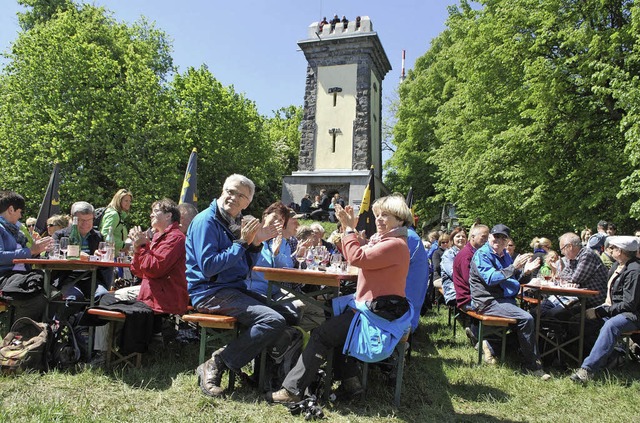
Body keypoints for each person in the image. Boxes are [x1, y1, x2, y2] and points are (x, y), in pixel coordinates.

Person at [266, 196, 414, 404]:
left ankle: (292, 390)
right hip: (374, 310)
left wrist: (349, 229)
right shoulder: (392, 242)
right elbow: (359, 253)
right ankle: (350, 383)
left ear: (400, 220)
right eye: (378, 214)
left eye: (385, 215)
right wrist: (350, 230)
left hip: (378, 318)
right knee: (333, 322)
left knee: (322, 333)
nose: (379, 219)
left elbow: (357, 258)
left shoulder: (395, 245)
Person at [188, 174, 288, 397]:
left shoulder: (237, 222)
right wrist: (243, 242)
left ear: (248, 202)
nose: (233, 197)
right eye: (230, 191)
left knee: (291, 314)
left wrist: (255, 245)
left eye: (240, 195)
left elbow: (244, 267)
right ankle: (216, 363)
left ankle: (264, 375)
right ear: (222, 191)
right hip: (208, 292)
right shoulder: (207, 221)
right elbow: (209, 267)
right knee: (272, 320)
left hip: (232, 289)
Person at [93, 199, 189, 357]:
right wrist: (138, 248)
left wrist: (143, 247)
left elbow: (154, 269)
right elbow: (137, 271)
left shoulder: (175, 238)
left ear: (168, 216)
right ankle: (111, 349)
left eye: (155, 211)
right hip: (151, 289)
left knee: (105, 300)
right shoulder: (160, 236)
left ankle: (102, 353)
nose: (151, 214)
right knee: (105, 299)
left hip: (165, 295)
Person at [468, 224, 548, 378]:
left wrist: (525, 272)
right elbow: (491, 279)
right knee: (526, 318)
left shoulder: (504, 255)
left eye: (502, 238)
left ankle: (491, 346)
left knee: (536, 316)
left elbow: (512, 281)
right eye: (496, 236)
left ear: (507, 242)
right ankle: (532, 366)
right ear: (490, 237)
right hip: (487, 301)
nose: (498, 240)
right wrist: (514, 267)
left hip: (505, 300)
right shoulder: (482, 255)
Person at [570, 236, 640, 383]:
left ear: (620, 251)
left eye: (613, 248)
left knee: (611, 325)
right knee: (578, 319)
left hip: (633, 315)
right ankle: (612, 357)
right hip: (613, 310)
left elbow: (629, 305)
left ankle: (587, 370)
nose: (610, 250)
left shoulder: (635, 271)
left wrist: (599, 312)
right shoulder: (617, 266)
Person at [0, 191, 53, 320]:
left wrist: (38, 250)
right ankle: (20, 335)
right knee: (38, 299)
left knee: (54, 293)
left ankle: (33, 335)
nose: (21, 216)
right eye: (20, 211)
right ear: (11, 209)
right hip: (5, 278)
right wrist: (31, 251)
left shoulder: (14, 230)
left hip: (19, 277)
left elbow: (27, 254)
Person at [53, 202, 110, 298]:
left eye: (89, 220)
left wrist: (99, 257)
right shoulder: (60, 235)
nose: (85, 224)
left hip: (91, 278)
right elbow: (50, 255)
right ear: (73, 219)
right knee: (74, 298)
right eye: (81, 220)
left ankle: (88, 313)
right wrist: (76, 256)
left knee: (103, 296)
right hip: (67, 277)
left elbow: (105, 263)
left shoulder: (97, 236)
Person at [99, 188, 132, 254]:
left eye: (130, 201)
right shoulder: (114, 215)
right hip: (109, 256)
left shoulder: (119, 216)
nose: (128, 203)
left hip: (115, 254)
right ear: (118, 201)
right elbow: (105, 234)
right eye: (126, 201)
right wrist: (123, 245)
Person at [441, 227, 467, 306]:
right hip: (453, 290)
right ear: (452, 239)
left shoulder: (468, 253)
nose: (461, 238)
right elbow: (453, 274)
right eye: (458, 236)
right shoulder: (448, 254)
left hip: (467, 287)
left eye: (463, 236)